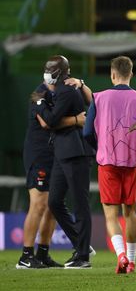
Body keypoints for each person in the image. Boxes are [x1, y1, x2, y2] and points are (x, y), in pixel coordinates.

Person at [83, 56, 136, 274]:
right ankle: (133, 261)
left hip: (107, 162)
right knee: (131, 213)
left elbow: (87, 132)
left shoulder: (98, 99)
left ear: (112, 74)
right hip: (131, 162)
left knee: (111, 215)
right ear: (131, 74)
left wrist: (99, 147)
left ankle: (121, 255)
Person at [17, 76, 90, 269]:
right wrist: (76, 120)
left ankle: (42, 254)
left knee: (51, 205)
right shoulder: (38, 94)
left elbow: (90, 101)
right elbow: (47, 123)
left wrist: (81, 85)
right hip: (39, 153)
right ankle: (26, 255)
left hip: (56, 152)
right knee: (39, 203)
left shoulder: (62, 92)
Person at [32, 55, 95, 269]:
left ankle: (83, 255)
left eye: (50, 69)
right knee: (54, 201)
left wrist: (39, 103)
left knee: (80, 202)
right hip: (62, 150)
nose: (46, 72)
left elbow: (51, 120)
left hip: (75, 150)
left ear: (59, 71)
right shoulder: (63, 88)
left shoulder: (67, 90)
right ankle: (81, 243)